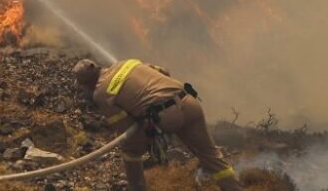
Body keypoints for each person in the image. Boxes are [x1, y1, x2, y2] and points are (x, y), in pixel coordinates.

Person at [73, 58, 243, 191]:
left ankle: (136, 188)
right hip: (189, 101)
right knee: (210, 155)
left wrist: (143, 143)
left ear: (86, 84)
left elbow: (126, 129)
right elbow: (165, 72)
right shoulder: (128, 63)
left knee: (130, 150)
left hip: (165, 116)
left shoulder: (101, 94)